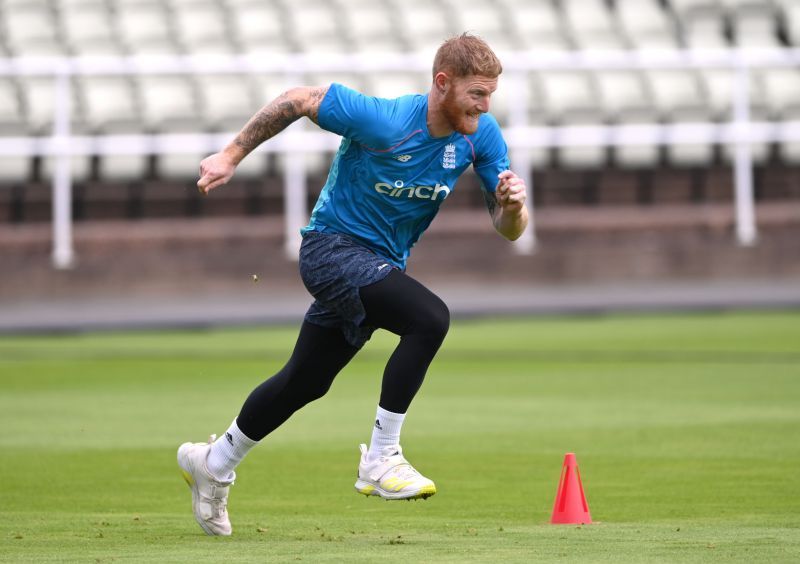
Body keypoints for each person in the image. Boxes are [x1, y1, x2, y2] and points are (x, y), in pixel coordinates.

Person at [177, 33, 528, 536]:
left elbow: (508, 227)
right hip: (331, 250)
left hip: (379, 264)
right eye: (477, 93)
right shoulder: (383, 120)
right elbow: (299, 100)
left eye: (491, 94)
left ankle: (213, 461)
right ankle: (382, 459)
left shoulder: (481, 135)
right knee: (430, 318)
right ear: (443, 83)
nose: (486, 104)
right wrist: (232, 154)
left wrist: (513, 208)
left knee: (305, 382)